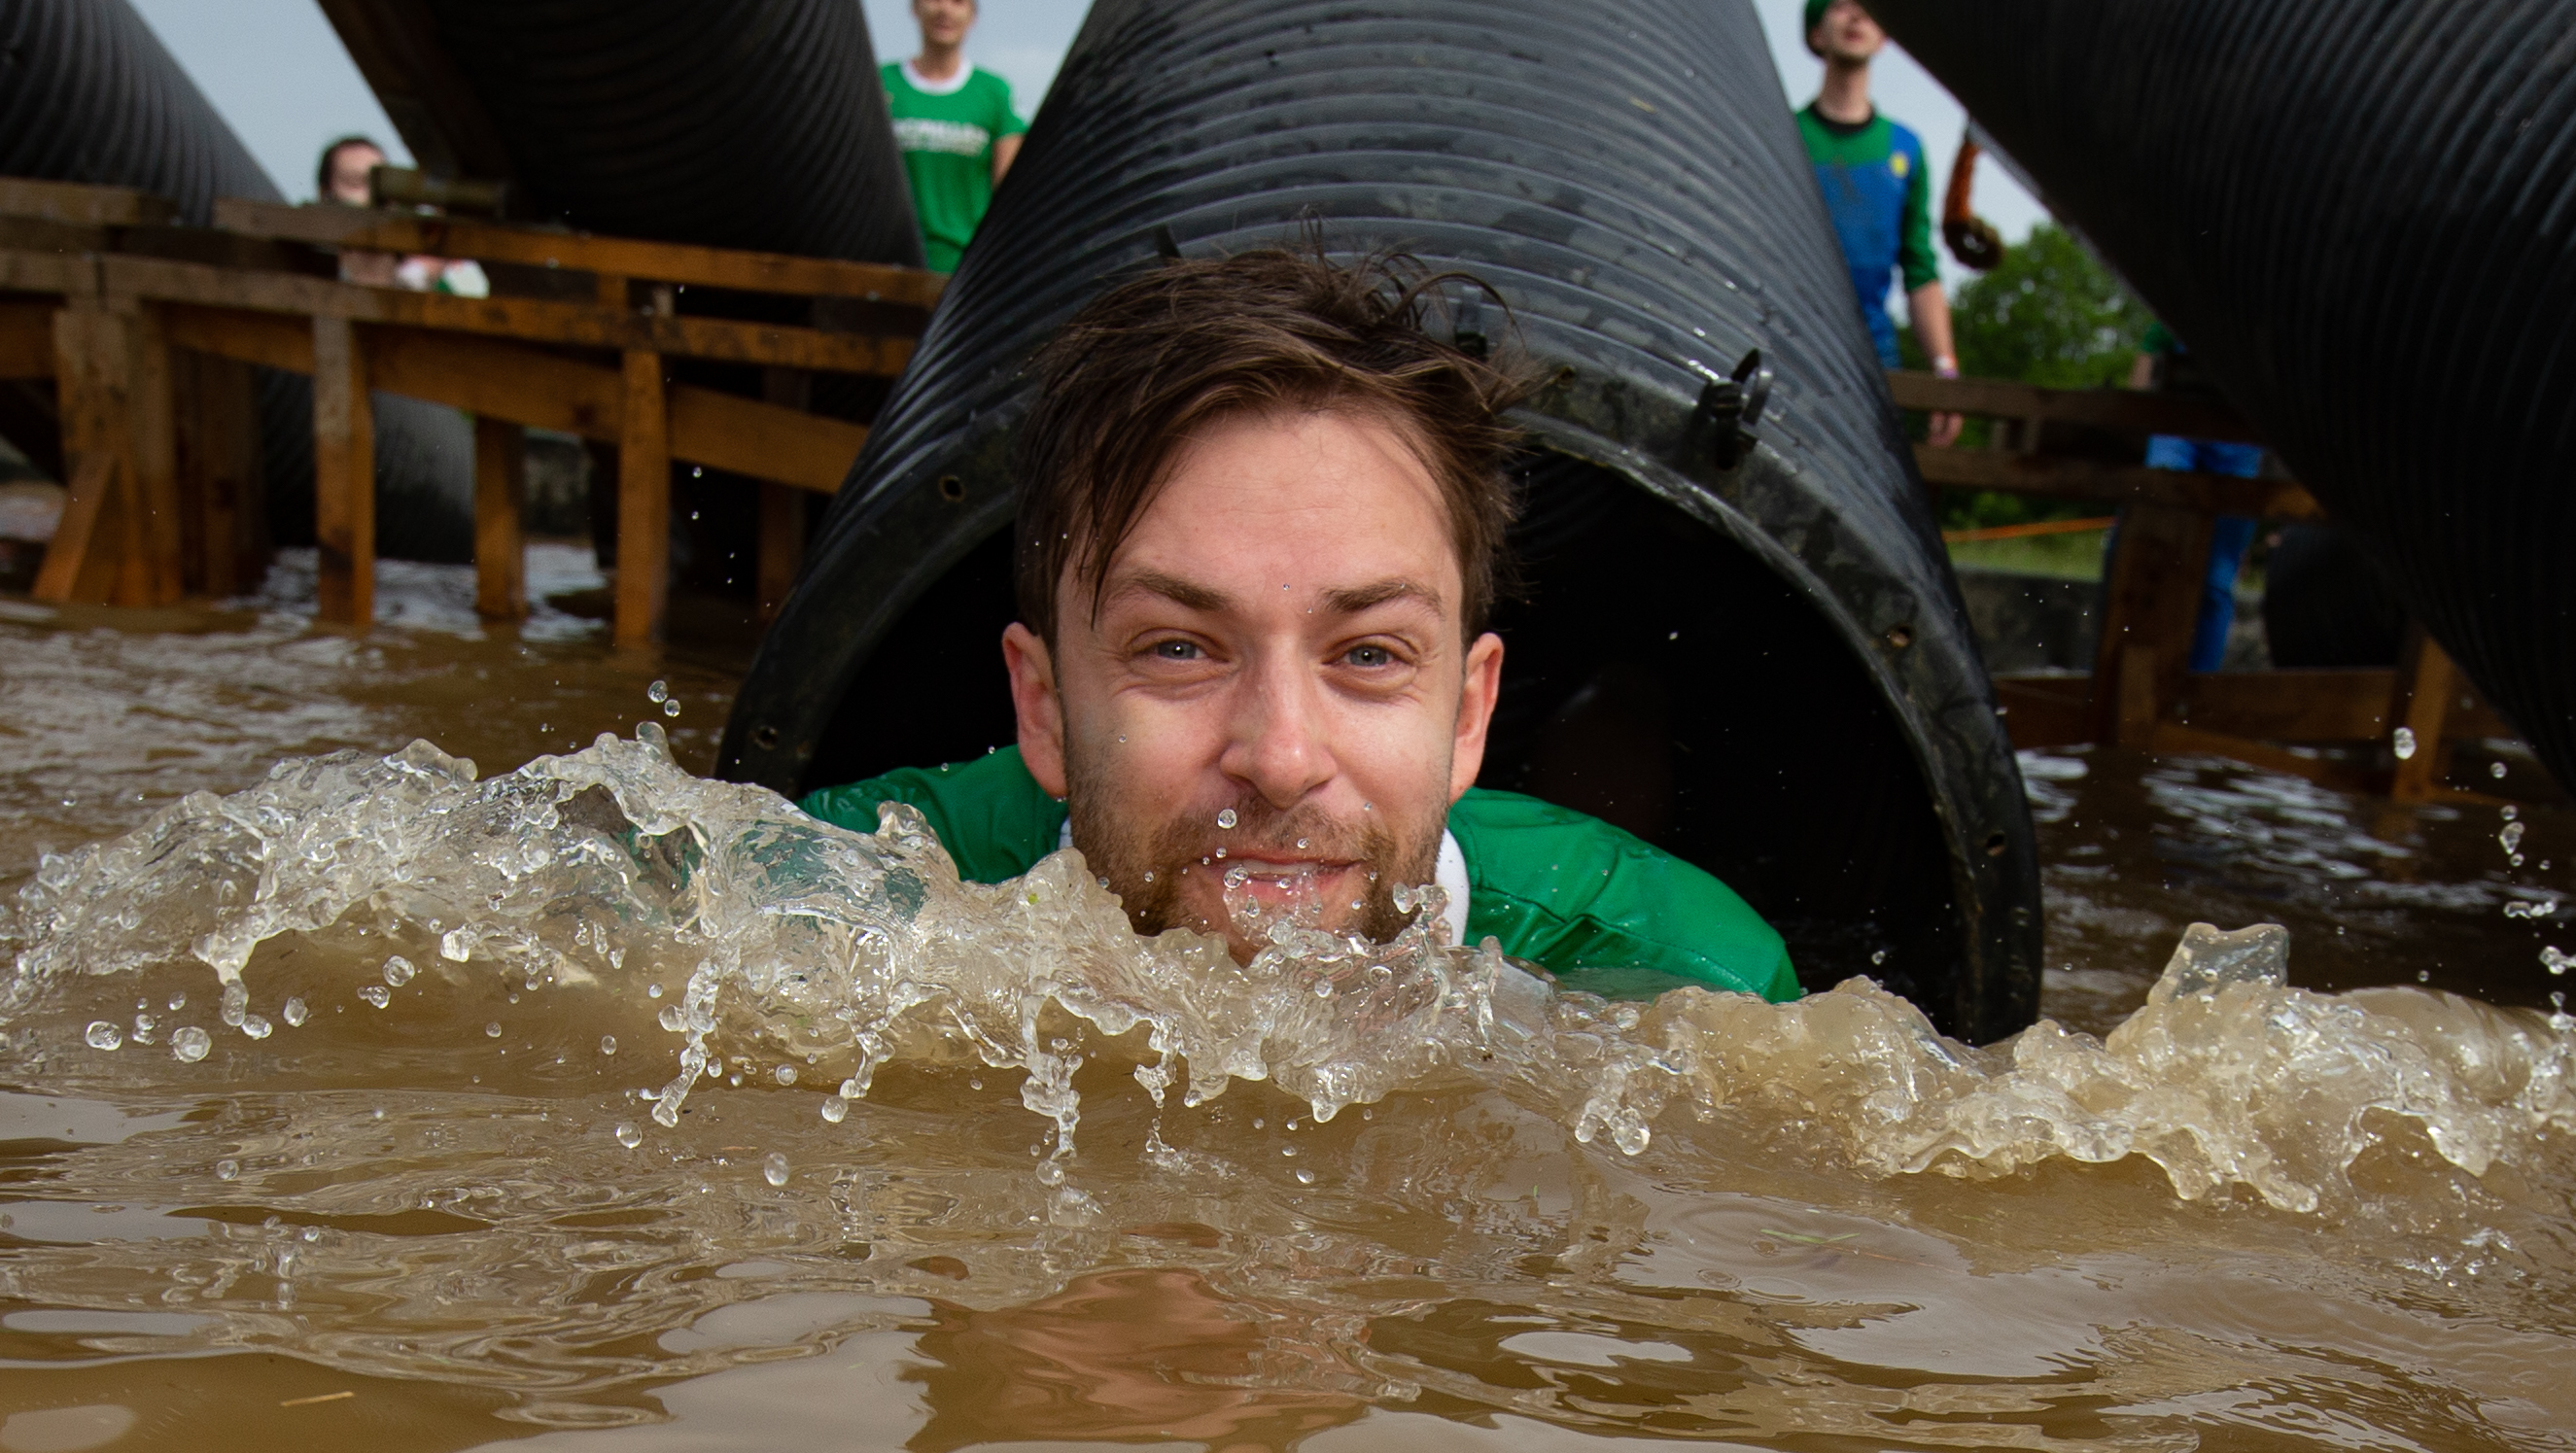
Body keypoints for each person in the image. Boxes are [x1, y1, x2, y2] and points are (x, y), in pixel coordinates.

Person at [800, 250, 1796, 1001]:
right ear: (1045, 705)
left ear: (1467, 714)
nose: (1279, 760)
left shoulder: (1680, 979)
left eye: (1368, 654)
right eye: (1179, 648)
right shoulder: (858, 879)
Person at [1795, 0, 1960, 446]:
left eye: (1870, 7)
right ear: (1816, 33)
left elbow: (1920, 268)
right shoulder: (1785, 135)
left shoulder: (1905, 148)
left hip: (1873, 354)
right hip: (1790, 341)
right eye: (1841, 5)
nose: (1856, 15)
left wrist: (1945, 370)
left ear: (1887, 36)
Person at [2130, 322, 2262, 671]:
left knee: (2216, 581)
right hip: (2177, 420)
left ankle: (2196, 693)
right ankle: (2128, 672)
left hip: (2241, 435)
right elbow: (2149, 356)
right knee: (2147, 546)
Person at [883, 0, 1028, 273]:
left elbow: (1012, 196)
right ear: (914, 8)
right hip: (891, 269)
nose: (945, 11)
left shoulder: (995, 93)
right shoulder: (882, 84)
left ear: (972, 15)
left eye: (958, 2)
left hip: (967, 275)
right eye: (935, 0)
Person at [315, 135, 487, 297]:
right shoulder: (311, 275)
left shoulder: (449, 281)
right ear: (326, 194)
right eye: (355, 182)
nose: (375, 197)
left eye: (383, 183)